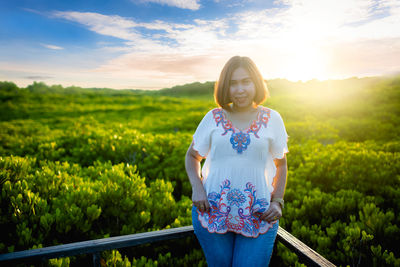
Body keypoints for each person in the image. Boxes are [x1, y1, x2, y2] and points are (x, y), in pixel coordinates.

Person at [185, 56, 289, 267]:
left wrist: (278, 201)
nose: (240, 89)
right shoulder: (213, 117)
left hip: (259, 214)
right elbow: (192, 156)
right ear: (225, 87)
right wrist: (197, 189)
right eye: (233, 83)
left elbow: (282, 164)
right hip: (212, 212)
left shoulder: (273, 119)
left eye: (246, 81)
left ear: (256, 83)